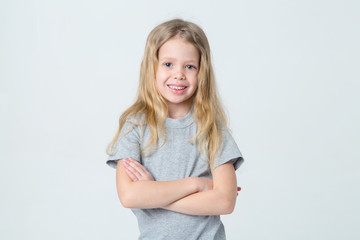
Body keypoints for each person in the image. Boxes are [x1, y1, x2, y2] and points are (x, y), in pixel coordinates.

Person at [106, 18, 244, 240]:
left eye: (190, 66)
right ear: (152, 67)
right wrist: (197, 184)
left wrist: (154, 193)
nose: (179, 74)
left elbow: (225, 201)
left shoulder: (212, 129)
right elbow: (130, 195)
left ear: (202, 73)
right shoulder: (135, 126)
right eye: (168, 64)